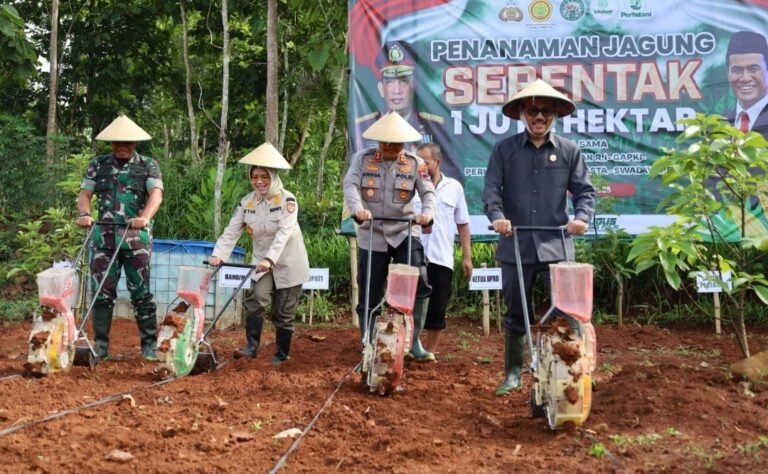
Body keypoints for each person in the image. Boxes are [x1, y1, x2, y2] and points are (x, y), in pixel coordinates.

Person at [482, 79, 596, 396]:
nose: (539, 117)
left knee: (567, 312)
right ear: (522, 113)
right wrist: (498, 218)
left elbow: (585, 192)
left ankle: (573, 369)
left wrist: (581, 218)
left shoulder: (569, 151)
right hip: (515, 244)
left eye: (546, 111)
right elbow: (491, 192)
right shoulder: (504, 151)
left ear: (555, 114)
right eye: (533, 110)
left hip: (556, 244)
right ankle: (514, 373)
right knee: (516, 311)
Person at [343, 111, 437, 362]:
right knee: (369, 287)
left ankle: (414, 340)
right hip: (372, 232)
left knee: (419, 278)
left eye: (395, 143)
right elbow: (350, 185)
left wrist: (426, 213)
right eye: (385, 142)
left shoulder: (416, 163)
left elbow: (428, 193)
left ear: (404, 143)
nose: (389, 147)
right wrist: (357, 209)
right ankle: (368, 340)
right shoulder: (362, 160)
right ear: (378, 141)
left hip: (404, 230)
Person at [208, 143, 309, 365]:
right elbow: (232, 230)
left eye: (264, 176)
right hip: (261, 263)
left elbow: (284, 233)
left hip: (288, 262)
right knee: (256, 301)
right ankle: (251, 347)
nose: (259, 181)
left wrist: (269, 259)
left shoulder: (287, 200)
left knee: (283, 312)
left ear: (273, 177)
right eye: (255, 177)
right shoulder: (247, 202)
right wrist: (219, 255)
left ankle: (281, 355)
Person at [76, 114, 164, 361]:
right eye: (117, 142)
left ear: (136, 143)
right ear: (111, 143)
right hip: (103, 238)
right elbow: (85, 195)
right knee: (101, 292)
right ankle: (101, 346)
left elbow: (156, 195)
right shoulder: (98, 164)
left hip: (136, 239)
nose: (123, 146)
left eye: (128, 142)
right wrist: (85, 214)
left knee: (141, 293)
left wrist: (145, 217)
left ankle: (149, 346)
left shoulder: (148, 165)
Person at [353, 40, 462, 182]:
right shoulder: (363, 126)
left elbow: (452, 174)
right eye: (390, 82)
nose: (396, 90)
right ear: (381, 89)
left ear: (413, 87)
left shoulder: (434, 126)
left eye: (403, 81)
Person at [412, 143, 472, 357]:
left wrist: (467, 257)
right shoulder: (410, 186)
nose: (421, 166)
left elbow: (463, 223)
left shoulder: (454, 187)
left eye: (425, 162)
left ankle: (430, 351)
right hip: (413, 254)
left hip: (441, 257)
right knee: (410, 304)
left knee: (437, 307)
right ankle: (411, 347)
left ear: (437, 162)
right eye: (418, 162)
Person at [726, 31, 768, 137]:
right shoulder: (718, 124)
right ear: (727, 72)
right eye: (737, 70)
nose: (745, 78)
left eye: (753, 69)